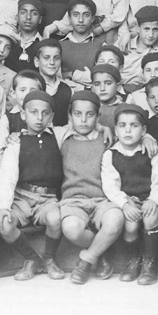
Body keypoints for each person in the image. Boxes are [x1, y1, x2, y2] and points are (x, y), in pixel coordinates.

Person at [0, 91, 65, 281]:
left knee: (55, 218)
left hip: (47, 199)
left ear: (52, 117)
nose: (39, 118)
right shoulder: (16, 143)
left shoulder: (57, 136)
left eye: (45, 113)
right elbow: (7, 176)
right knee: (4, 225)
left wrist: (103, 127)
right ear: (23, 114)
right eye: (33, 112)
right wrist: (4, 207)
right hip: (21, 198)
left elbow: (79, 128)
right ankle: (32, 259)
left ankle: (49, 259)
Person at [60, 91, 124, 284]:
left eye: (90, 115)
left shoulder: (107, 138)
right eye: (77, 114)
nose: (83, 120)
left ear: (97, 117)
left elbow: (131, 143)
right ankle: (100, 251)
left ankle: (87, 260)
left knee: (115, 219)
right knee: (71, 228)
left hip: (102, 200)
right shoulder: (61, 136)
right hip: (73, 201)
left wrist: (148, 138)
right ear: (70, 116)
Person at [101, 104, 158, 285]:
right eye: (122, 126)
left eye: (134, 126)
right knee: (130, 225)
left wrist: (153, 200)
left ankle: (149, 264)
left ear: (143, 130)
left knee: (151, 217)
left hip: (151, 200)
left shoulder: (153, 152)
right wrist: (125, 204)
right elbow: (110, 186)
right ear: (116, 129)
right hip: (128, 202)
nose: (128, 130)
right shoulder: (110, 155)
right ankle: (133, 260)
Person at [0, 69, 46, 172]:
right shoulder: (8, 119)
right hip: (11, 172)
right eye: (22, 90)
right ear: (13, 93)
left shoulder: (44, 118)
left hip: (38, 171)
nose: (27, 95)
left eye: (33, 91)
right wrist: (0, 173)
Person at [116, 5, 158, 93]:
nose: (151, 35)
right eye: (146, 29)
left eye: (155, 29)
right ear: (138, 28)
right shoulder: (123, 44)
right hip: (120, 91)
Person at [59, 0, 104, 90]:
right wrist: (71, 74)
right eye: (76, 15)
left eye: (86, 15)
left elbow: (105, 77)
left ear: (92, 19)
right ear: (69, 18)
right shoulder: (59, 46)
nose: (80, 20)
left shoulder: (101, 46)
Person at [32, 39, 72, 127]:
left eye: (56, 58)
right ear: (36, 61)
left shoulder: (67, 89)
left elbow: (71, 121)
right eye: (46, 58)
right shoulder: (30, 87)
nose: (52, 62)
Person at [4, 0, 44, 73]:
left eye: (34, 13)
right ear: (17, 17)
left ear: (40, 19)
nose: (28, 17)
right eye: (23, 12)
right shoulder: (9, 43)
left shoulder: (43, 45)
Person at [91, 64, 124, 131]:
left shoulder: (125, 109)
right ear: (92, 88)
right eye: (97, 84)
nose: (102, 88)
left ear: (118, 87)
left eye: (108, 83)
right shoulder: (88, 108)